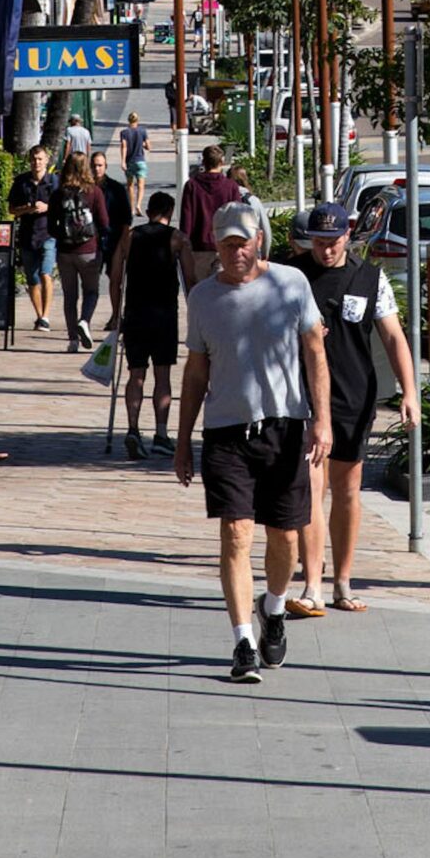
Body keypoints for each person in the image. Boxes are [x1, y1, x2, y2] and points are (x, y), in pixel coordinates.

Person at [173, 201, 331, 683]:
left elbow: (315, 352)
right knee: (236, 533)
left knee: (285, 537)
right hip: (226, 432)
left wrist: (322, 421)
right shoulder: (202, 298)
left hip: (285, 427)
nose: (235, 251)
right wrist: (181, 441)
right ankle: (243, 640)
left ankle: (274, 608)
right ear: (215, 245)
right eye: (226, 244)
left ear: (258, 239)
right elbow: (196, 371)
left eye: (243, 242)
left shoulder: (290, 283)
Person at [286, 199, 420, 614]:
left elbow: (394, 337)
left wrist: (409, 391)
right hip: (302, 398)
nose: (326, 248)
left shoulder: (369, 278)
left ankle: (342, 581)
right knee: (311, 490)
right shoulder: (293, 277)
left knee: (346, 493)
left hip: (354, 397)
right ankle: (312, 585)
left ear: (348, 235)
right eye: (319, 240)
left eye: (333, 239)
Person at [121, 189, 182, 458]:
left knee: (136, 374)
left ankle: (133, 429)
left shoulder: (131, 237)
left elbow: (114, 276)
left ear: (148, 213)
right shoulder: (176, 238)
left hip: (135, 312)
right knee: (163, 375)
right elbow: (191, 278)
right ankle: (161, 433)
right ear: (170, 212)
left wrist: (114, 312)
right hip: (164, 314)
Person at [53, 150, 109, 352]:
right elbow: (103, 222)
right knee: (92, 291)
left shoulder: (59, 193)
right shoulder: (94, 192)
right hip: (89, 251)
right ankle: (84, 320)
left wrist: (61, 236)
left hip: (65, 252)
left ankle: (72, 340)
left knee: (69, 296)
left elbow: (51, 224)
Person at [178, 143, 246, 288]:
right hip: (224, 246)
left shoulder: (192, 185)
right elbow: (237, 217)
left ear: (204, 162)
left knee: (200, 293)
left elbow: (187, 218)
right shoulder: (231, 187)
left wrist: (184, 247)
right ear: (221, 162)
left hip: (198, 247)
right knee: (222, 292)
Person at [8, 143, 58, 333]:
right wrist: (28, 208)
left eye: (40, 159)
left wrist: (47, 207)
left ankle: (45, 315)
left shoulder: (54, 182)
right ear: (29, 161)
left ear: (46, 161)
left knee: (46, 273)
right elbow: (11, 209)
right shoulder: (21, 182)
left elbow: (62, 206)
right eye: (34, 159)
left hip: (48, 234)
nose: (36, 163)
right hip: (28, 236)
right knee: (32, 279)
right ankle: (39, 316)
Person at [90, 148, 133, 329]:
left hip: (114, 240)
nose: (97, 169)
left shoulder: (116, 188)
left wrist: (123, 244)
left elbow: (126, 219)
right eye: (94, 166)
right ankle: (86, 318)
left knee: (116, 280)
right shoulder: (87, 189)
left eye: (100, 165)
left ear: (105, 166)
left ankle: (116, 316)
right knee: (91, 283)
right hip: (93, 242)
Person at [118, 108, 149, 210]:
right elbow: (149, 147)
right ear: (137, 120)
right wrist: (142, 144)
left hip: (129, 161)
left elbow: (124, 146)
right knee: (141, 185)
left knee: (130, 185)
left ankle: (131, 207)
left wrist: (122, 161)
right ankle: (138, 204)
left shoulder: (124, 133)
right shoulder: (143, 131)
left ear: (128, 120)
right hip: (140, 160)